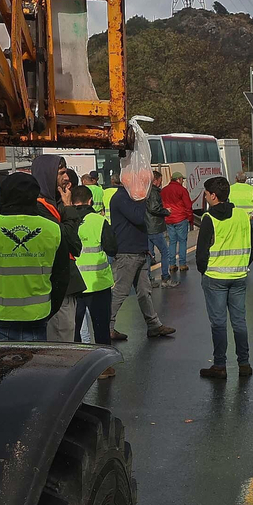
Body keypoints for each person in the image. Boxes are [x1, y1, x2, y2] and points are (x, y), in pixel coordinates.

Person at [0, 172, 66, 343]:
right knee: (32, 361)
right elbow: (61, 278)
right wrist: (48, 310)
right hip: (37, 316)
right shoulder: (53, 229)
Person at [194, 177, 253, 379]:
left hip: (215, 277)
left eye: (206, 193)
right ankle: (244, 363)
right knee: (239, 322)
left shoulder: (209, 218)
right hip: (239, 276)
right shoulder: (242, 215)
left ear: (213, 195)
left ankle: (219, 365)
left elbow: (201, 253)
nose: (205, 197)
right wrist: (242, 264)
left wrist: (204, 271)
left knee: (219, 323)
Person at [107, 176, 175, 341]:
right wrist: (143, 199)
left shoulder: (129, 198)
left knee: (145, 291)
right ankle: (107, 327)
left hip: (138, 251)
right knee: (121, 291)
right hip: (127, 252)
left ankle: (154, 325)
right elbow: (137, 217)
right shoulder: (121, 198)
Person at [31, 155, 84, 342]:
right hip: (55, 286)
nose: (67, 178)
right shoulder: (39, 208)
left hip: (64, 285)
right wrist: (69, 207)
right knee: (61, 341)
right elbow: (71, 242)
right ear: (47, 175)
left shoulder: (56, 203)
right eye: (61, 173)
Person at [68, 185, 118, 379]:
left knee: (74, 327)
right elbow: (112, 248)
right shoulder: (99, 221)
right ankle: (104, 368)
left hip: (74, 284)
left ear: (72, 201)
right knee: (101, 327)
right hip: (98, 283)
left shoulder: (66, 222)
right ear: (90, 201)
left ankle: (76, 366)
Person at [161, 171, 195, 281]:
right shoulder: (182, 190)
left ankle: (172, 264)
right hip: (180, 218)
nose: (183, 181)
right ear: (178, 179)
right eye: (182, 179)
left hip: (169, 219)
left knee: (172, 242)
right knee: (182, 241)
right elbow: (188, 205)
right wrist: (190, 218)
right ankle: (182, 264)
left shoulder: (164, 190)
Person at [145, 168, 170, 278]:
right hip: (155, 227)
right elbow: (154, 208)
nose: (161, 183)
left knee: (149, 254)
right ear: (155, 180)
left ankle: (148, 278)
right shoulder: (154, 192)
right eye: (160, 180)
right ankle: (165, 276)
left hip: (147, 226)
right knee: (165, 252)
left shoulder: (145, 190)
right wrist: (166, 211)